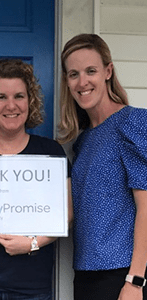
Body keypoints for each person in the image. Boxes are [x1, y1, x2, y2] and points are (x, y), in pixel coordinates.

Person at [0, 58, 72, 300]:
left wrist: (32, 243)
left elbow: (66, 214)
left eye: (19, 96)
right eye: (1, 97)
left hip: (32, 288)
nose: (11, 105)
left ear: (30, 102)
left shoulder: (50, 153)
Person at [58, 33, 147, 300]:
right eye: (74, 74)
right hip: (85, 275)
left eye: (91, 71)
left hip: (122, 276)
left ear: (108, 72)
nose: (82, 82)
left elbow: (146, 206)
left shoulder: (133, 123)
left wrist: (135, 280)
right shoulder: (82, 140)